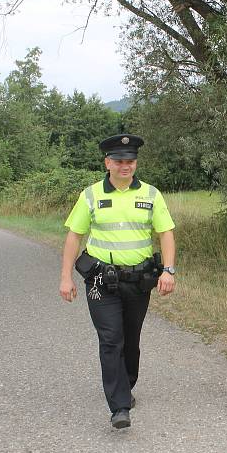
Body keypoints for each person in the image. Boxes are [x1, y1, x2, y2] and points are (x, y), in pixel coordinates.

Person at [59, 134, 176, 429]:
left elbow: (166, 233)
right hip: (101, 281)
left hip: (138, 281)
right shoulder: (91, 195)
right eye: (120, 161)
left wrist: (169, 270)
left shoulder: (151, 194)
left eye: (131, 161)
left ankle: (127, 384)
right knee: (111, 339)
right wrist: (65, 277)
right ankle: (119, 406)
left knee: (130, 340)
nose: (126, 166)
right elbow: (74, 235)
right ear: (107, 163)